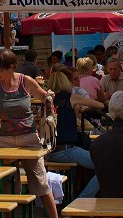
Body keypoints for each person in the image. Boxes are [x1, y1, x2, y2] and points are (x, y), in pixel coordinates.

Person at [0, 49, 67, 218]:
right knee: (7, 186)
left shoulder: (26, 81)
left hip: (28, 138)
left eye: (0, 69)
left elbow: (44, 97)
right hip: (4, 140)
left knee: (41, 183)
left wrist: (48, 96)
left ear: (12, 67)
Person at [44, 70, 103, 199]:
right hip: (67, 150)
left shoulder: (47, 100)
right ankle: (83, 199)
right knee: (105, 166)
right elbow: (99, 105)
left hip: (49, 152)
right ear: (66, 82)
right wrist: (83, 108)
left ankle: (75, 195)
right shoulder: (70, 97)